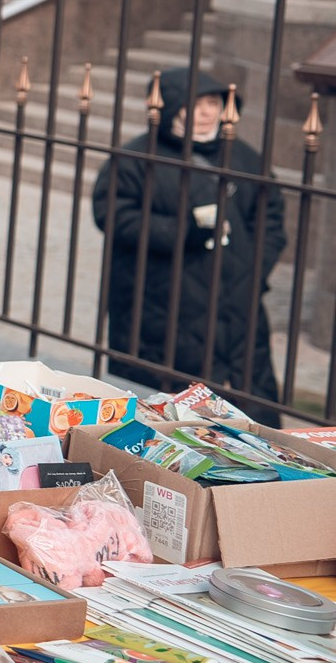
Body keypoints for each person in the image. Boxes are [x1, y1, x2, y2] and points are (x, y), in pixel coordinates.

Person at [93, 65, 287, 416]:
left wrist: (253, 269)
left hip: (236, 302)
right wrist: (181, 232)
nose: (207, 112)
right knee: (169, 408)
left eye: (213, 103)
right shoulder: (137, 158)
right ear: (172, 108)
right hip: (162, 301)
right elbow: (113, 214)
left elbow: (270, 217)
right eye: (196, 104)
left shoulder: (244, 157)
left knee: (250, 405)